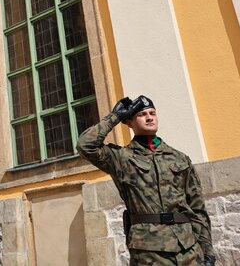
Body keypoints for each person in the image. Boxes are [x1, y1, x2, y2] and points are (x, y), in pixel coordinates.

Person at [77, 95, 215, 266]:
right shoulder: (121, 158)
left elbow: (197, 207)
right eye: (142, 114)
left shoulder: (179, 158)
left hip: (188, 249)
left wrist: (207, 250)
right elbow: (85, 145)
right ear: (129, 122)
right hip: (149, 252)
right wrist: (115, 117)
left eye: (153, 113)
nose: (150, 117)